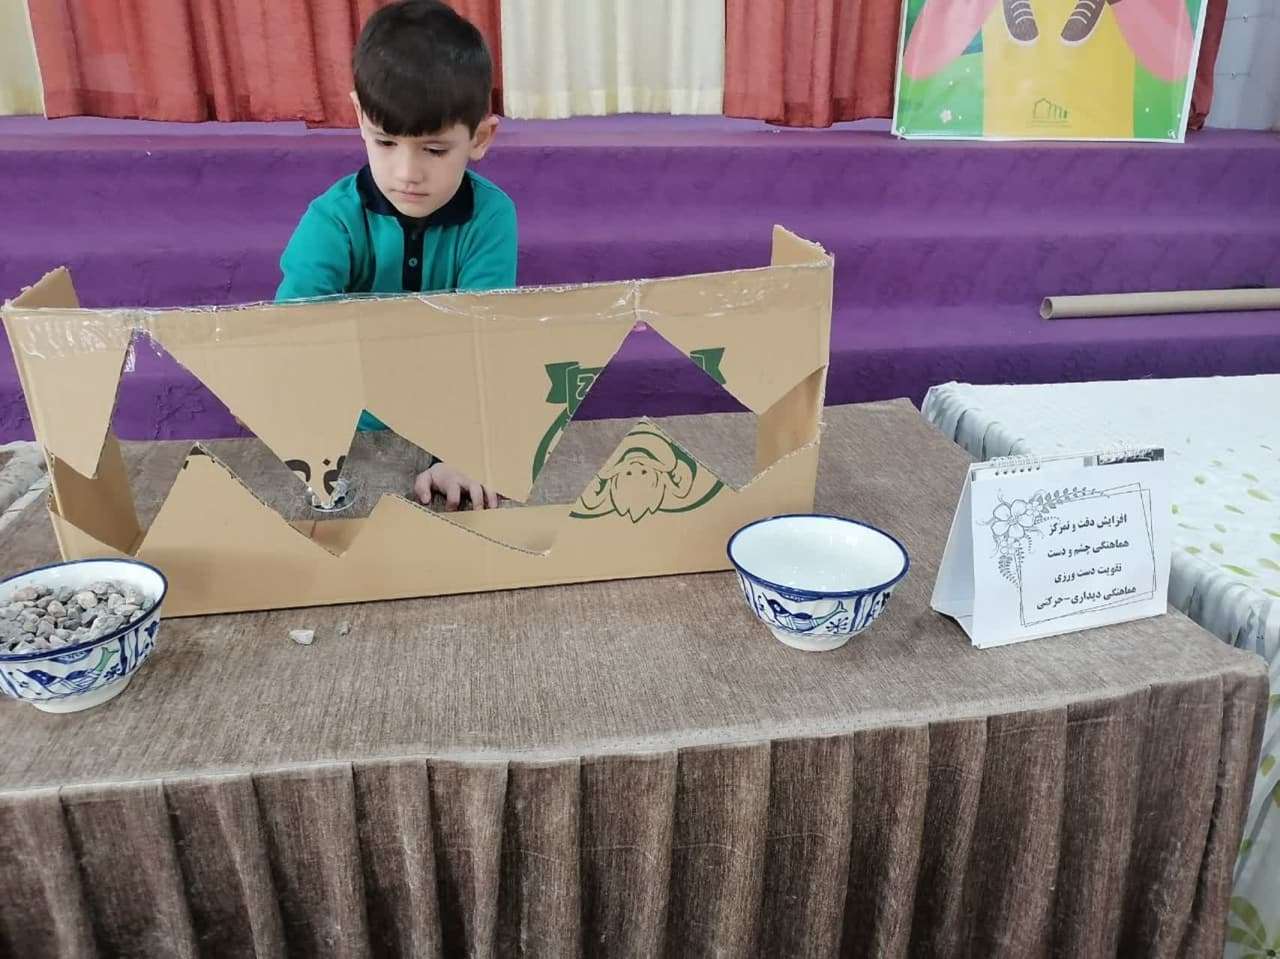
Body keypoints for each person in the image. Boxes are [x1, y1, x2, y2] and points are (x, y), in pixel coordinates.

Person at [276, 0, 515, 511]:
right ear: (359, 118)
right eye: (385, 142)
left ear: (479, 138)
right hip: (344, 432)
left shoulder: (491, 218)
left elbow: (486, 343)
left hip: (454, 420)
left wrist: (464, 448)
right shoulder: (332, 220)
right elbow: (292, 337)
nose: (407, 173)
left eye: (434, 150)